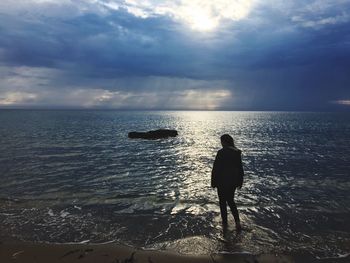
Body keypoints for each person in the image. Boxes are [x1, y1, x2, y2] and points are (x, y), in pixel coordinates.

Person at [211, 134, 244, 231]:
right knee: (231, 201)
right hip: (232, 182)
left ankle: (225, 224)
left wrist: (213, 181)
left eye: (221, 141)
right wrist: (240, 181)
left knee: (222, 203)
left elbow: (215, 168)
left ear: (224, 142)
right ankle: (237, 222)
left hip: (221, 181)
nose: (221, 143)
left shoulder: (221, 152)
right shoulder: (237, 152)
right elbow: (240, 169)